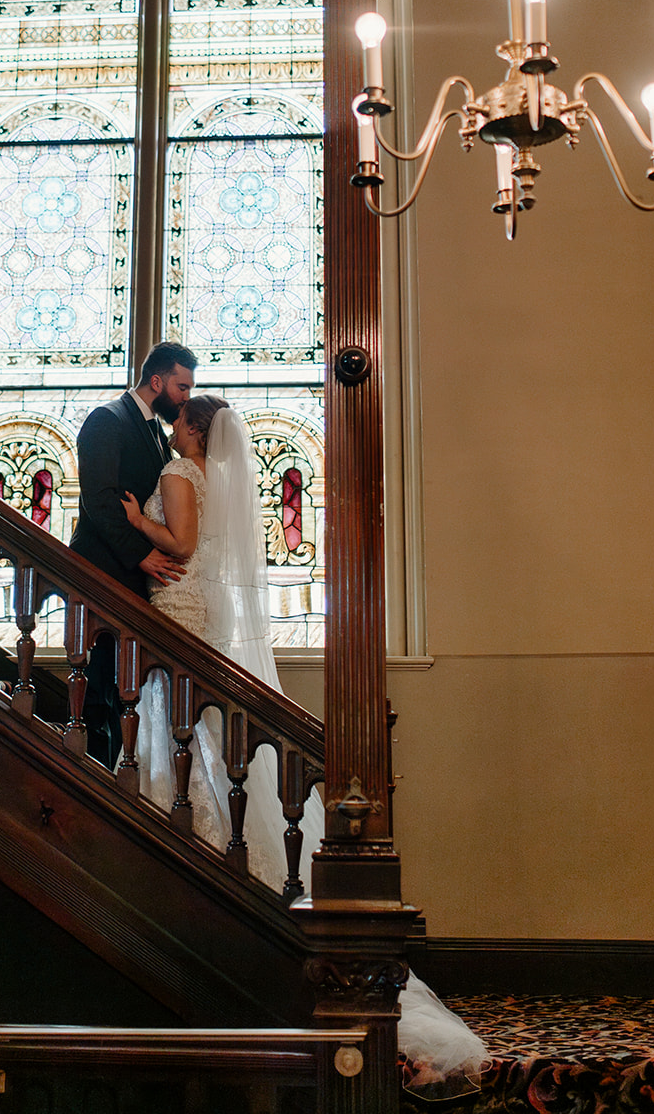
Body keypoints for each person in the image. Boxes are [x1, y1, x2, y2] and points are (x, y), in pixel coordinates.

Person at [123, 394, 490, 1092]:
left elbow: (182, 547)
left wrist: (137, 520)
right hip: (201, 606)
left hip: (178, 603)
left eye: (180, 419)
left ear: (192, 429)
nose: (171, 426)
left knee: (182, 720)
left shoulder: (177, 471)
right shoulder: (214, 478)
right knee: (203, 728)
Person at [69, 340, 197, 766]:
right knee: (99, 690)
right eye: (182, 387)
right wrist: (140, 554)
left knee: (121, 689)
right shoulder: (108, 420)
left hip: (136, 584)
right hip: (103, 573)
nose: (186, 398)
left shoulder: (158, 435)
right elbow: (100, 499)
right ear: (156, 381)